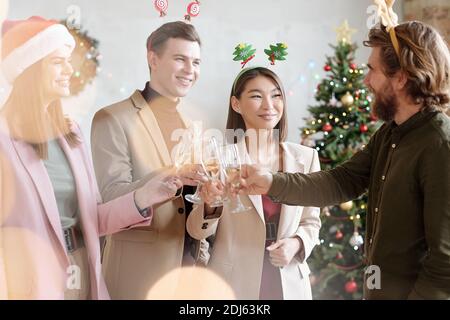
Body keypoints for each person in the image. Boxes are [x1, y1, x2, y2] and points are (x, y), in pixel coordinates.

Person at [239, 21, 450, 300]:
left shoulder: (440, 145)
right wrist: (271, 182)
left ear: (400, 77)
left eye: (371, 70)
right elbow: (340, 182)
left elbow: (445, 262)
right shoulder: (390, 134)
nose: (366, 81)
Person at [0, 16, 182, 300]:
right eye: (58, 62)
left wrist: (144, 196)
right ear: (30, 69)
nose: (70, 70)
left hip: (82, 270)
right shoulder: (3, 140)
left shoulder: (70, 133)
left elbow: (93, 217)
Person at [91, 21, 208, 299]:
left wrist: (212, 199)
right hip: (137, 276)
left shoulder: (194, 126)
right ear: (153, 59)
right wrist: (172, 174)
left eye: (196, 62)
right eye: (180, 59)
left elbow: (193, 207)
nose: (190, 70)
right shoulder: (112, 118)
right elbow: (110, 199)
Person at [186, 67, 321, 299]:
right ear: (236, 104)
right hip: (233, 283)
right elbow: (196, 231)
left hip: (288, 280)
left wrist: (296, 244)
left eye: (276, 95)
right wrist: (209, 205)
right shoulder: (218, 159)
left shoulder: (306, 159)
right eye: (257, 96)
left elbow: (312, 221)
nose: (269, 105)